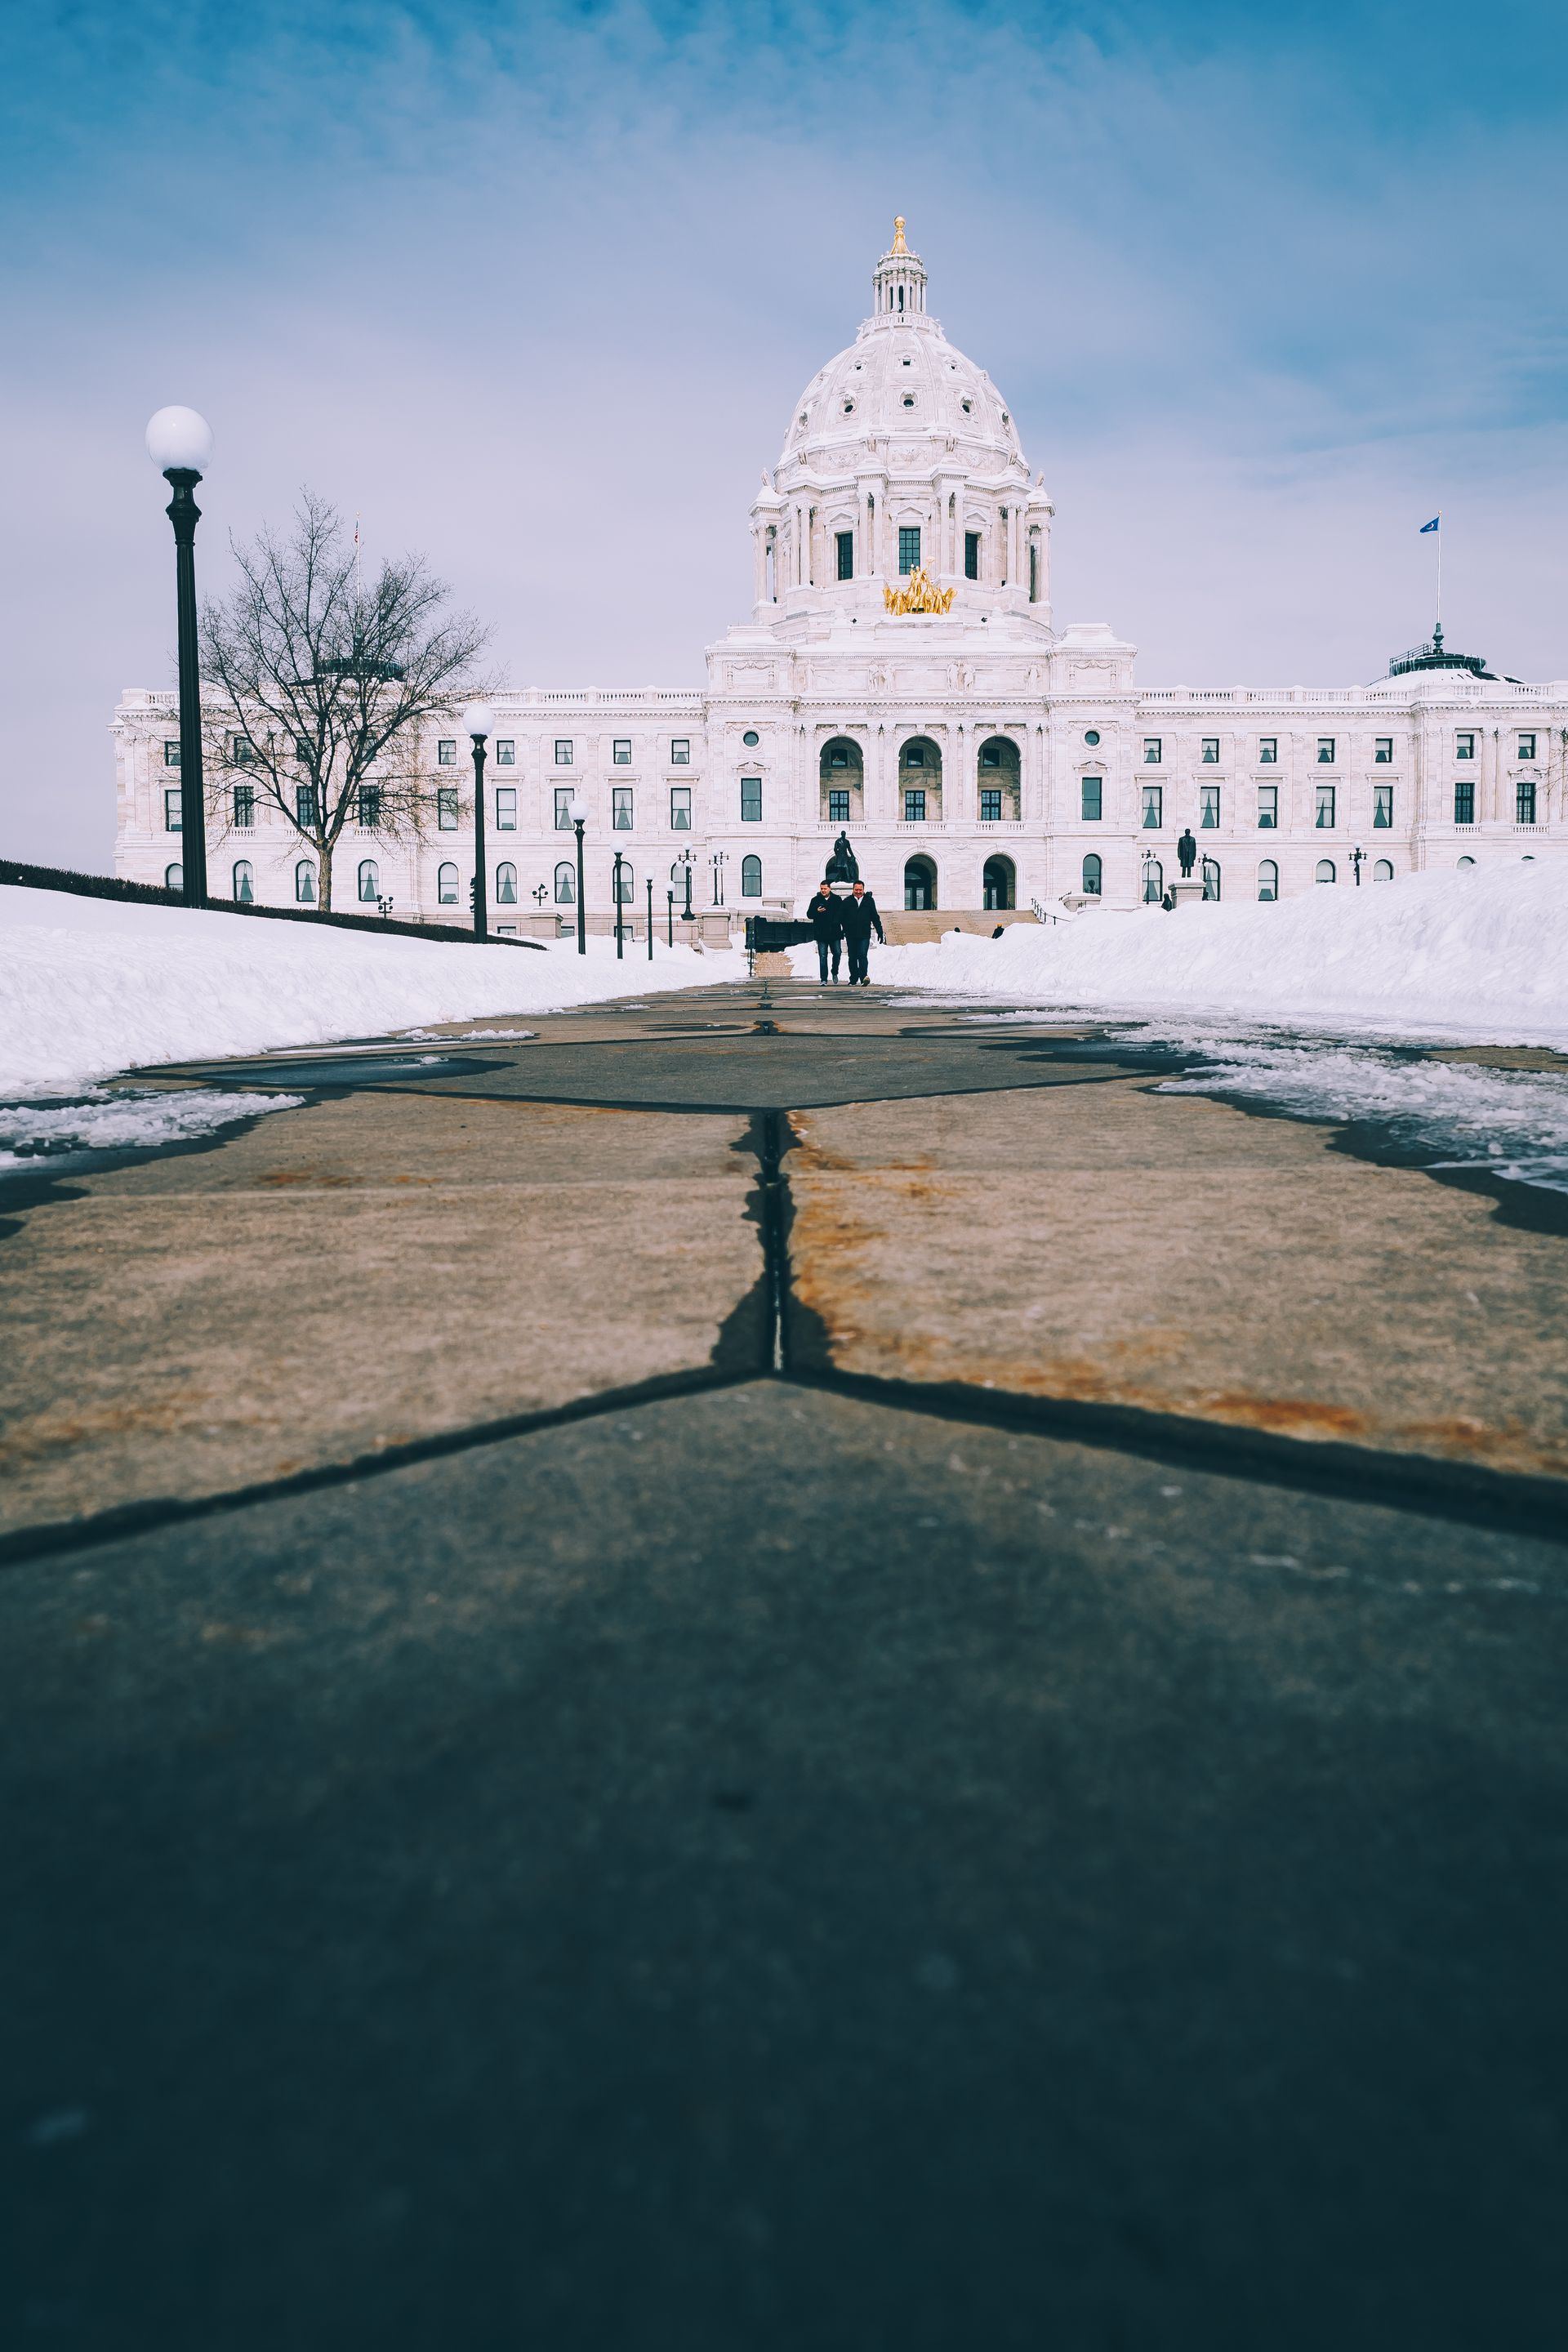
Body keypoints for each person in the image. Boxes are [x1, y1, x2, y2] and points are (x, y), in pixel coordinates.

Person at [839, 877, 884, 984]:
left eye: (860, 890)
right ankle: (853, 979)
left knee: (862, 954)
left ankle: (864, 977)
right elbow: (841, 917)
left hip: (864, 934)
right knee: (852, 957)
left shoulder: (869, 901)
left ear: (863, 889)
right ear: (853, 889)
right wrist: (843, 929)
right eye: (856, 890)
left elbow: (875, 917)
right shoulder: (847, 901)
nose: (858, 892)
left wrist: (880, 931)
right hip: (851, 934)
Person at [805, 879, 844, 982]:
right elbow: (809, 915)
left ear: (830, 889)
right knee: (823, 956)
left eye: (825, 889)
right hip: (821, 933)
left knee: (838, 953)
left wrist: (842, 929)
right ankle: (824, 979)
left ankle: (834, 972)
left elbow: (842, 914)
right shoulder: (815, 900)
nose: (823, 890)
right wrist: (816, 911)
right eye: (821, 889)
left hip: (834, 932)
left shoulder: (837, 899)